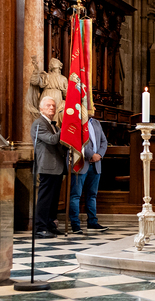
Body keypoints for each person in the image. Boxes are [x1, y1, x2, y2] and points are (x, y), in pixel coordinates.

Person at [33, 96, 66, 238]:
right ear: (41, 108)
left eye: (53, 105)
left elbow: (59, 144)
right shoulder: (38, 124)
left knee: (53, 199)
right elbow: (52, 140)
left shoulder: (55, 126)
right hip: (47, 166)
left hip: (57, 166)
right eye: (48, 105)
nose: (52, 108)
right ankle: (40, 227)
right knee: (45, 198)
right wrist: (65, 128)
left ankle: (50, 225)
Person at [68, 116, 108, 234]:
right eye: (91, 107)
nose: (93, 108)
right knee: (75, 195)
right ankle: (75, 225)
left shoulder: (96, 122)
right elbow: (76, 142)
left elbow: (104, 141)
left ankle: (92, 222)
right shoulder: (76, 122)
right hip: (81, 163)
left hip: (96, 165)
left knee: (92, 195)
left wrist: (99, 155)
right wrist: (91, 155)